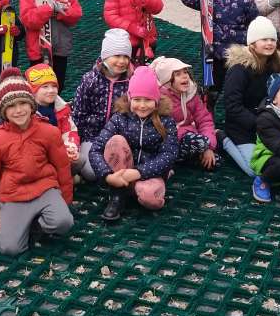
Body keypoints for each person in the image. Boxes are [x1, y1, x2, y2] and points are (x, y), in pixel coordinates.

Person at [0, 68, 74, 255]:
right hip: (13, 195)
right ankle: (23, 224)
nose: (19, 110)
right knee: (9, 248)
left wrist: (65, 200)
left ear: (32, 105)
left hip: (44, 188)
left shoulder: (48, 131)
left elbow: (62, 166)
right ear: (3, 111)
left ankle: (38, 222)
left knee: (63, 222)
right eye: (11, 106)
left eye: (23, 103)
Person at [88, 66, 179, 222]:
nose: (142, 105)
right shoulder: (120, 118)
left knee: (151, 199)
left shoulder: (166, 121)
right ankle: (117, 194)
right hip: (121, 171)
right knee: (116, 141)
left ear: (156, 100)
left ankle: (138, 190)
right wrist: (107, 176)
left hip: (149, 173)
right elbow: (95, 149)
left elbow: (169, 154)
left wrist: (138, 172)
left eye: (148, 100)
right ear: (130, 99)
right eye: (137, 100)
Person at [181, 0, 258, 101]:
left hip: (237, 54)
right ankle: (209, 108)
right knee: (213, 88)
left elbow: (254, 23)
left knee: (235, 87)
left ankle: (234, 109)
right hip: (215, 52)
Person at [221, 16, 280, 184]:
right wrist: (259, 124)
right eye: (264, 39)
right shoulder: (239, 70)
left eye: (272, 39)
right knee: (254, 169)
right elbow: (232, 106)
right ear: (252, 43)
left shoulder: (275, 66)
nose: (269, 43)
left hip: (268, 125)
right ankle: (224, 140)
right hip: (242, 128)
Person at [70, 28, 133, 183]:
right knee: (91, 173)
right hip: (92, 135)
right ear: (105, 56)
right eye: (117, 55)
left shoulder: (131, 81)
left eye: (126, 56)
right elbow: (79, 112)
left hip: (119, 136)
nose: (122, 61)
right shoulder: (90, 80)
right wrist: (79, 139)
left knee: (122, 166)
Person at [19, 0, 83, 90]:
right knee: (38, 87)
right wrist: (48, 9)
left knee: (57, 86)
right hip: (38, 50)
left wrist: (61, 12)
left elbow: (76, 14)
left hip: (60, 48)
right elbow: (28, 20)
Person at [150, 56, 217, 170]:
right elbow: (161, 128)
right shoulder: (160, 99)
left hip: (191, 137)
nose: (185, 76)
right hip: (170, 141)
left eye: (185, 72)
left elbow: (204, 120)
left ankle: (203, 150)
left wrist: (209, 146)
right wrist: (199, 141)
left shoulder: (191, 95)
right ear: (167, 80)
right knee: (197, 142)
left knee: (213, 161)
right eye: (178, 74)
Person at [25, 63, 81, 169]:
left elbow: (69, 131)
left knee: (79, 160)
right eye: (45, 87)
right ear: (33, 90)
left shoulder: (62, 108)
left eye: (54, 86)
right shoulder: (27, 112)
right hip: (36, 155)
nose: (51, 90)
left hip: (58, 151)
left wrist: (70, 146)